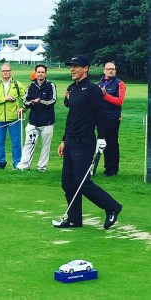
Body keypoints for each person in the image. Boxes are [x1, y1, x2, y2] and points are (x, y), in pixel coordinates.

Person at [53, 54, 122, 230]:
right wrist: (63, 140)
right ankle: (74, 219)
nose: (72, 69)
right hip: (71, 140)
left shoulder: (92, 89)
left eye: (76, 66)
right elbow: (72, 117)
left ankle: (112, 207)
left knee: (82, 181)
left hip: (84, 141)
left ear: (86, 69)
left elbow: (102, 114)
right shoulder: (73, 88)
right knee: (67, 182)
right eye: (71, 66)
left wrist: (102, 137)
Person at [16, 64, 57, 172]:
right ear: (35, 73)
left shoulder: (50, 85)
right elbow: (25, 101)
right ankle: (24, 166)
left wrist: (41, 101)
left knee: (45, 146)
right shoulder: (31, 87)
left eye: (42, 72)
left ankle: (41, 167)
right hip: (33, 121)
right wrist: (32, 103)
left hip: (47, 122)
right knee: (29, 143)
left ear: (45, 74)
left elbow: (53, 100)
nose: (40, 74)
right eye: (38, 72)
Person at [0, 62, 26, 169]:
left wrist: (23, 108)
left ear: (11, 72)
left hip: (14, 118)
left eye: (7, 71)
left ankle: (17, 163)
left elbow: (27, 99)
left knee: (16, 143)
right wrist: (4, 98)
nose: (5, 73)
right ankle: (1, 163)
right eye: (3, 71)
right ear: (0, 72)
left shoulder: (17, 84)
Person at [97, 62, 126, 176]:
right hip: (101, 117)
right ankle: (106, 167)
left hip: (113, 117)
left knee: (112, 143)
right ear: (104, 70)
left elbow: (119, 101)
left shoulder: (120, 84)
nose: (111, 71)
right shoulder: (99, 83)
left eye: (113, 69)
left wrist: (105, 96)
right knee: (103, 142)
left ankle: (113, 169)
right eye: (109, 69)